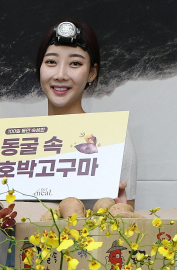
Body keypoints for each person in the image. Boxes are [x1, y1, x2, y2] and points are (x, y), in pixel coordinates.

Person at [36, 20, 137, 208]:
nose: (60, 74)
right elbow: (12, 229)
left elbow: (127, 226)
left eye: (75, 63)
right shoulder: (18, 139)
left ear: (92, 73)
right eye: (51, 62)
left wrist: (120, 210)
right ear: (39, 68)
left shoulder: (114, 138)